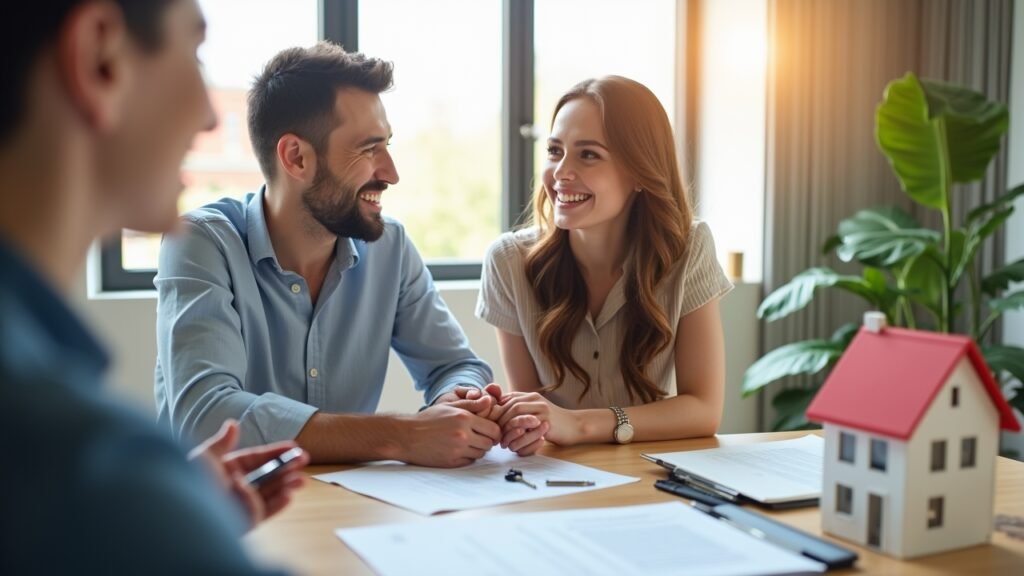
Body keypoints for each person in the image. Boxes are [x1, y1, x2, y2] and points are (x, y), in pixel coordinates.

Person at [0, 0, 307, 573]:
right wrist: (149, 513)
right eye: (194, 51)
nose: (208, 117)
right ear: (100, 60)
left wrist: (177, 511)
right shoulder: (82, 470)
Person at [154, 42, 517, 468]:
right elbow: (207, 417)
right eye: (368, 149)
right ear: (296, 157)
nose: (392, 173)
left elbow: (455, 365)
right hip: (226, 503)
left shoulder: (390, 246)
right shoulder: (200, 241)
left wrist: (460, 402)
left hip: (347, 500)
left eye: (388, 145)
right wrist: (403, 436)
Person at [475, 76, 733, 455]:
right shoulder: (508, 261)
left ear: (640, 171)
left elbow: (704, 410)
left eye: (588, 155)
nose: (560, 172)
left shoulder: (688, 249)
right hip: (554, 473)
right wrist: (509, 420)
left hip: (647, 469)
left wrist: (581, 425)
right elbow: (532, 415)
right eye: (555, 151)